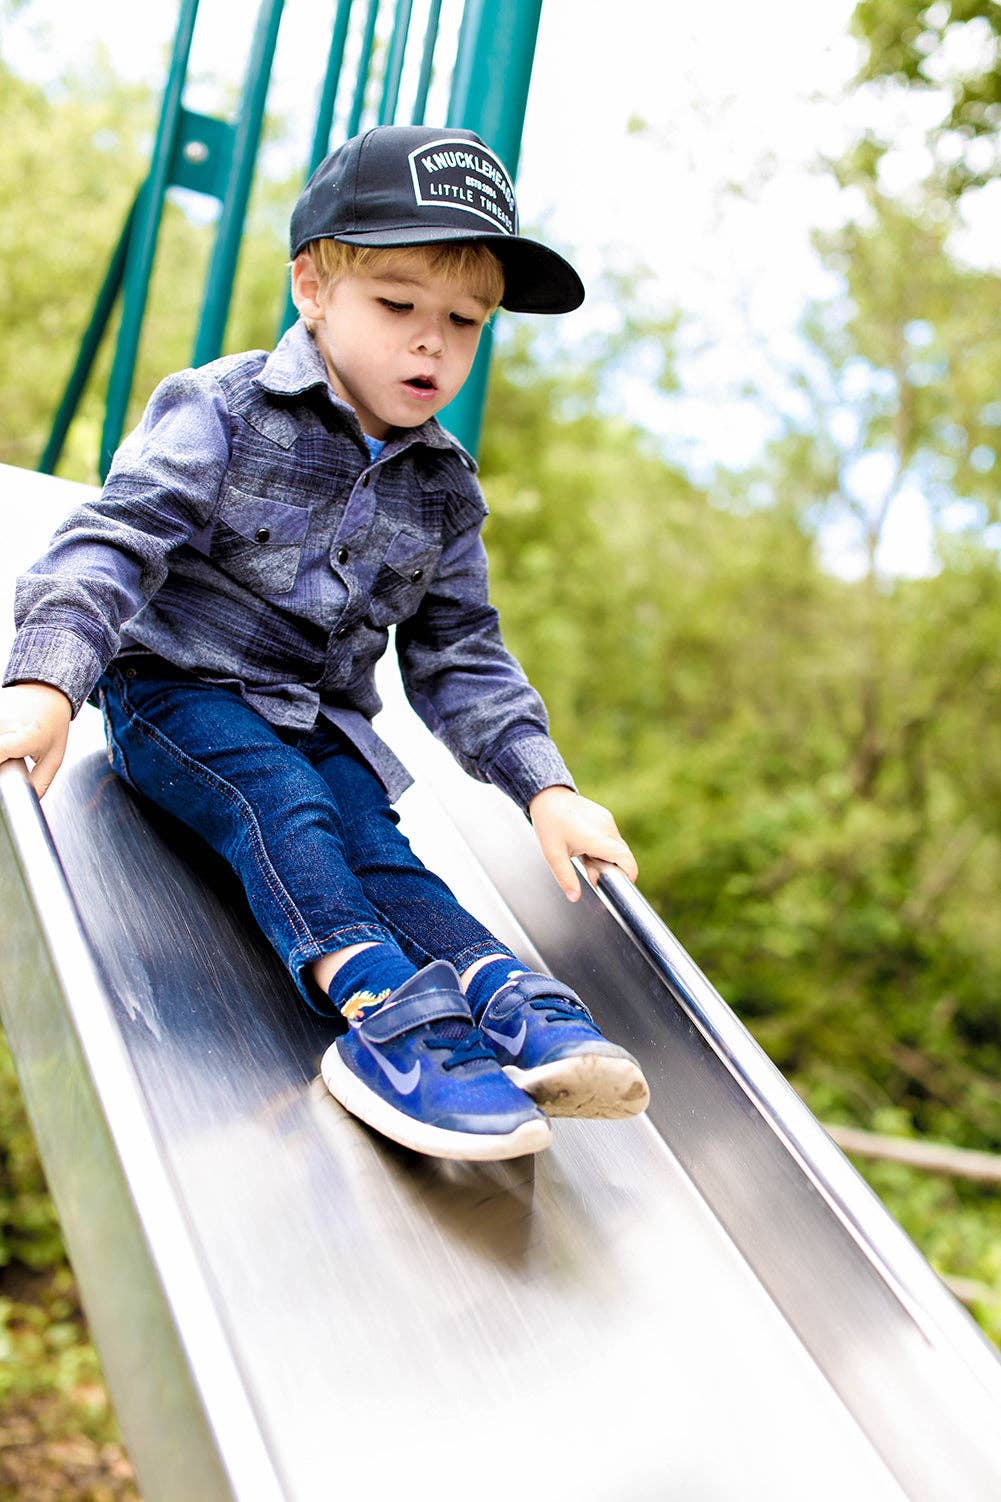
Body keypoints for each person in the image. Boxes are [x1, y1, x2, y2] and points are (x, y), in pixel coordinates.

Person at [0, 124, 649, 1161]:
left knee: (380, 845)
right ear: (312, 286)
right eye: (397, 306)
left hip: (322, 719)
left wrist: (545, 786)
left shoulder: (444, 489)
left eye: (463, 319)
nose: (431, 343)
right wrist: (46, 680)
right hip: (178, 695)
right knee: (283, 799)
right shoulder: (221, 406)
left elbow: (461, 652)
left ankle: (498, 995)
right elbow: (114, 540)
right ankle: (379, 1013)